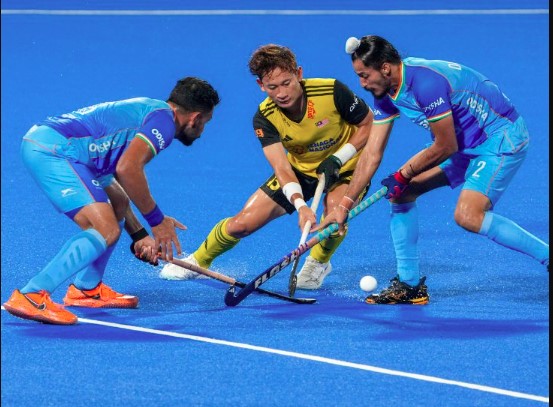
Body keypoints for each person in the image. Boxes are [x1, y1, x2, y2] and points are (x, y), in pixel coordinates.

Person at [316, 35, 549, 304]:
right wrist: (344, 205)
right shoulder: (384, 92)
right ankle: (410, 285)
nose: (362, 84)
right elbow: (371, 153)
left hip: (497, 139)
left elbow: (445, 146)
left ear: (385, 68)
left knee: (469, 215)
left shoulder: (426, 84)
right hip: (462, 143)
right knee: (401, 194)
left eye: (364, 75)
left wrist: (404, 173)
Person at [2, 77, 220, 324]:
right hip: (57, 150)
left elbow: (119, 177)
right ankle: (31, 294)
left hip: (71, 151)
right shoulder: (165, 124)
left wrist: (140, 235)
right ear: (195, 118)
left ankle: (87, 289)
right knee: (105, 229)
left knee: (117, 204)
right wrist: (157, 222)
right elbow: (129, 169)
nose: (202, 130)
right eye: (206, 122)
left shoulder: (152, 111)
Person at [160, 44, 373, 289]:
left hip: (347, 166)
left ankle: (318, 262)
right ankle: (199, 260)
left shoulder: (331, 91)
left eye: (286, 83)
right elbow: (281, 167)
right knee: (241, 224)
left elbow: (368, 124)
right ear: (261, 85)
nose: (281, 93)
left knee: (334, 215)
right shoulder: (265, 117)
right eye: (272, 87)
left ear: (299, 74)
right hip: (300, 170)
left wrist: (339, 158)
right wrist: (301, 205)